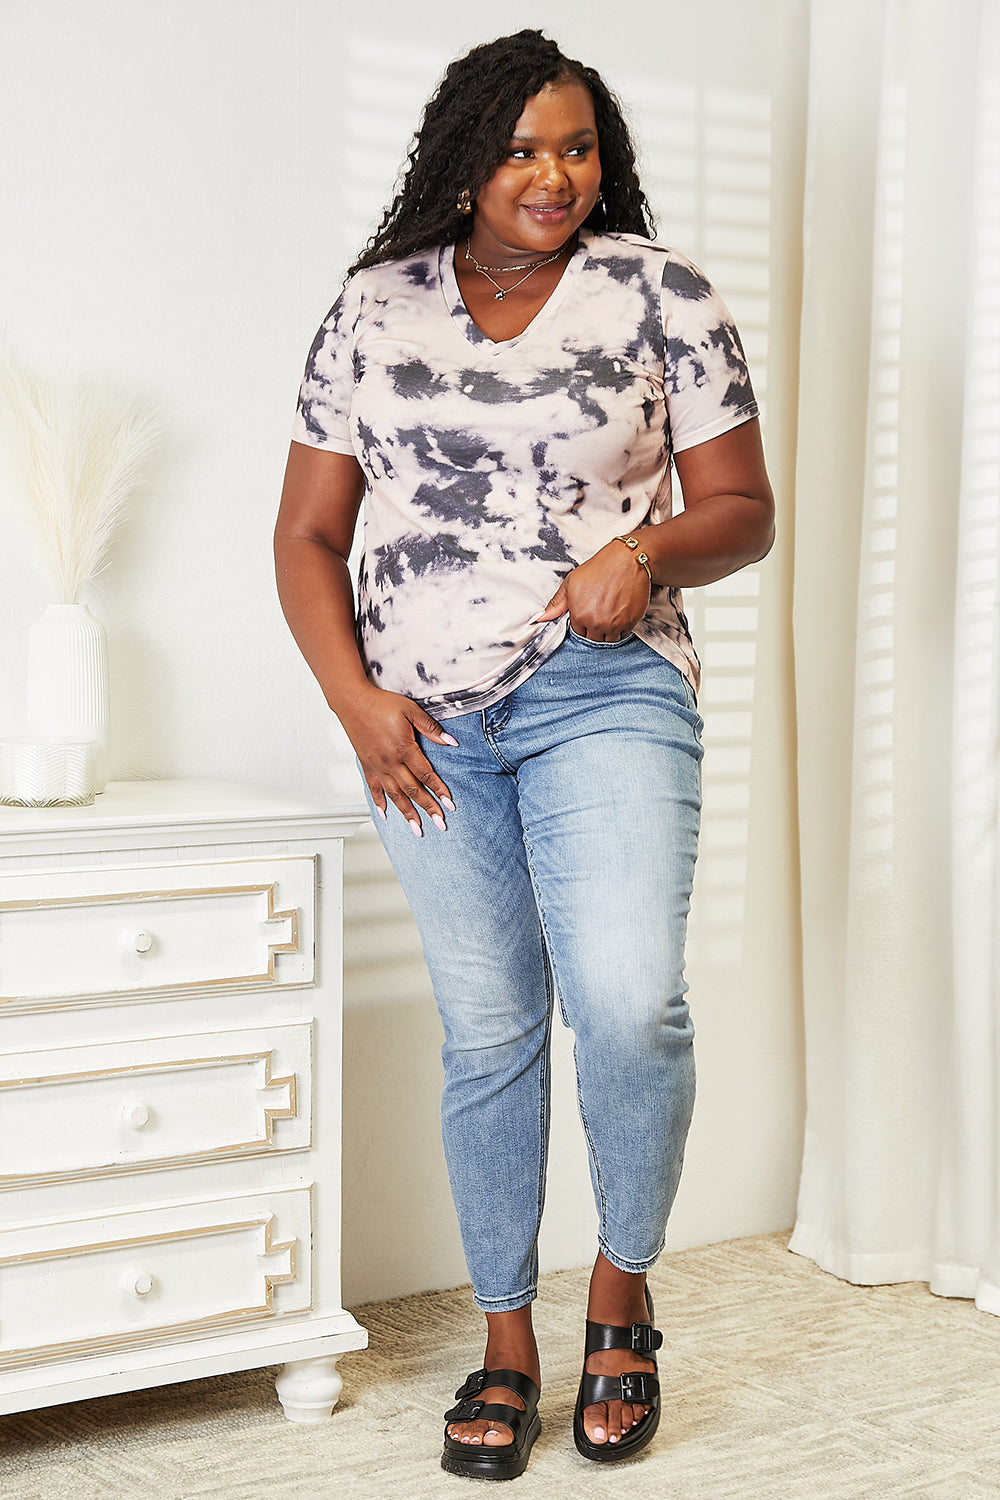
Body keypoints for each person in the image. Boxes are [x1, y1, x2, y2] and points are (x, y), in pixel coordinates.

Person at [274, 28, 774, 1481]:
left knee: (626, 1002)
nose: (554, 175)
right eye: (520, 149)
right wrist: (354, 701)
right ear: (464, 160)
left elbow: (741, 507)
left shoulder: (661, 295)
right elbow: (309, 535)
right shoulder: (374, 309)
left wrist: (649, 548)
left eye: (576, 146)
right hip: (422, 730)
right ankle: (508, 1340)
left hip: (602, 688)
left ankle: (621, 1299)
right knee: (489, 1032)